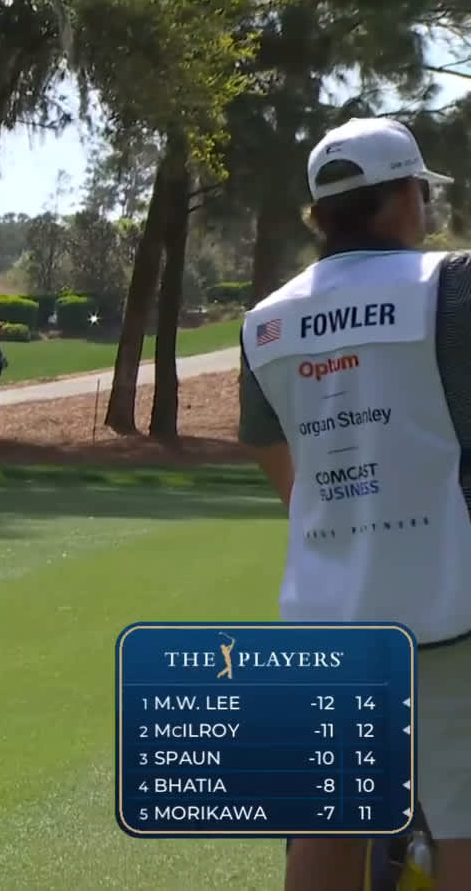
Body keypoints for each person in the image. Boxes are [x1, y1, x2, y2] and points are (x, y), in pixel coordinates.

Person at [237, 117, 471, 891]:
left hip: (326, 613)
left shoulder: (264, 322)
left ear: (319, 215)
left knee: (328, 828)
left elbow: (284, 470)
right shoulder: (453, 286)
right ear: (405, 199)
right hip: (450, 610)